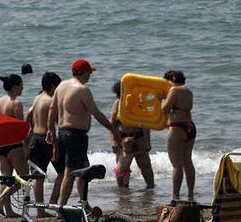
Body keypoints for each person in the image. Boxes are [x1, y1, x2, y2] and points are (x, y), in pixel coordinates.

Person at [47, 59, 120, 206]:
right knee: (70, 173)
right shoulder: (82, 89)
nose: (90, 76)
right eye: (89, 73)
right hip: (75, 136)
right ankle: (62, 207)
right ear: (84, 72)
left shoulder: (61, 86)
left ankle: (83, 202)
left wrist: (52, 133)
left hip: (63, 133)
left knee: (84, 169)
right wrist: (113, 129)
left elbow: (51, 111)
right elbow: (97, 113)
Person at [26, 72, 64, 216]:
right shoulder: (51, 101)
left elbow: (28, 117)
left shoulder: (37, 98)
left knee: (38, 177)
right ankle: (54, 203)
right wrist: (55, 146)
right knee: (63, 173)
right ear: (53, 86)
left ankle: (40, 211)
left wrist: (29, 132)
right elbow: (55, 125)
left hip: (35, 138)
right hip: (47, 139)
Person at [0, 74, 30, 217]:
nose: (23, 87)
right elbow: (20, 128)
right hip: (13, 144)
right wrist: (25, 146)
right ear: (15, 86)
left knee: (6, 178)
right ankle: (1, 198)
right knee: (25, 177)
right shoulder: (16, 103)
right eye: (21, 85)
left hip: (0, 146)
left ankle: (8, 211)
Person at [109, 81, 155, 189]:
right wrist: (113, 141)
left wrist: (147, 142)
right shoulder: (118, 104)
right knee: (122, 168)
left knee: (145, 165)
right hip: (123, 138)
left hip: (138, 136)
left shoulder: (139, 103)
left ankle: (151, 188)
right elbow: (112, 125)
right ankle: (123, 190)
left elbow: (145, 124)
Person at [161, 70, 196, 201]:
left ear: (172, 79)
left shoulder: (174, 90)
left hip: (177, 127)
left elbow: (165, 109)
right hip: (190, 126)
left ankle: (175, 196)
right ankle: (190, 194)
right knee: (188, 161)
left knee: (177, 164)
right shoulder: (189, 91)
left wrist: (162, 98)